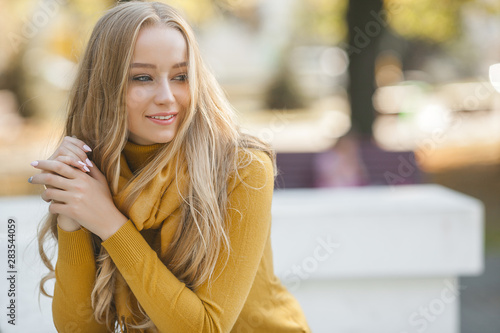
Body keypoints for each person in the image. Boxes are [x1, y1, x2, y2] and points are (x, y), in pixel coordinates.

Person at [29, 1, 311, 332]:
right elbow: (83, 328)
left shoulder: (241, 169)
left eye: (180, 76)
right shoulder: (95, 173)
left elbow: (206, 327)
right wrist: (72, 211)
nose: (167, 96)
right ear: (104, 86)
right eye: (143, 77)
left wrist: (109, 222)